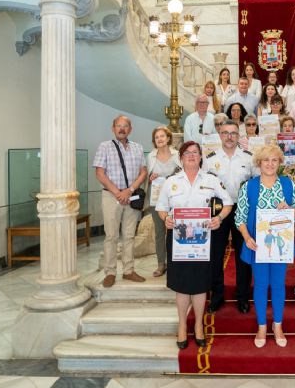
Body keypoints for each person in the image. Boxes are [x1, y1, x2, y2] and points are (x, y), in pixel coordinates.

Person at [156, 141, 233, 349]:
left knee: (199, 285)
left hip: (201, 241)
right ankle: (182, 325)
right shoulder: (171, 181)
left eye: (195, 153)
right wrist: (166, 219)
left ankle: (198, 325)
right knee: (181, 286)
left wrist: (219, 218)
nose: (191, 156)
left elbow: (228, 202)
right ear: (180, 157)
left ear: (201, 157)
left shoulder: (210, 180)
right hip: (179, 240)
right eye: (187, 153)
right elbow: (161, 207)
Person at [235, 145, 295, 348]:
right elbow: (240, 217)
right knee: (261, 284)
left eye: (274, 160)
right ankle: (262, 326)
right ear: (259, 163)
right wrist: (246, 237)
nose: (270, 164)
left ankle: (278, 324)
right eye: (266, 160)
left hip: (280, 245)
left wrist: (291, 209)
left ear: (279, 163)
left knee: (278, 284)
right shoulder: (248, 186)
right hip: (258, 245)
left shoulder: (288, 184)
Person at [204, 120, 255, 314]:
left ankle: (243, 297)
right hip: (218, 212)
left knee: (243, 255)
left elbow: (254, 184)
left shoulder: (249, 157)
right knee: (215, 254)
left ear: (238, 135)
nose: (229, 137)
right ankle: (216, 296)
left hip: (243, 210)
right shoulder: (210, 158)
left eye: (233, 133)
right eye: (225, 133)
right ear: (220, 135)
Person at [93, 115, 148, 288]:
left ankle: (128, 270)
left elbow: (143, 172)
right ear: (113, 128)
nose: (122, 129)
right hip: (111, 196)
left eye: (125, 126)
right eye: (118, 125)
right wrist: (118, 192)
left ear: (130, 129)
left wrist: (129, 191)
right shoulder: (105, 147)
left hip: (131, 196)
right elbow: (100, 173)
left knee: (130, 235)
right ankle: (110, 272)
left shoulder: (138, 148)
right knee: (111, 236)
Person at [146, 126, 182, 277]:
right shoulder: (150, 156)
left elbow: (183, 173)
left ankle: (176, 262)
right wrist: (150, 178)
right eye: (156, 137)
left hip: (175, 199)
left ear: (168, 138)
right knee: (160, 232)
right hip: (156, 200)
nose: (159, 139)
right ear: (154, 141)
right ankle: (161, 264)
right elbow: (146, 178)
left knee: (176, 230)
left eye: (162, 136)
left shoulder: (177, 155)